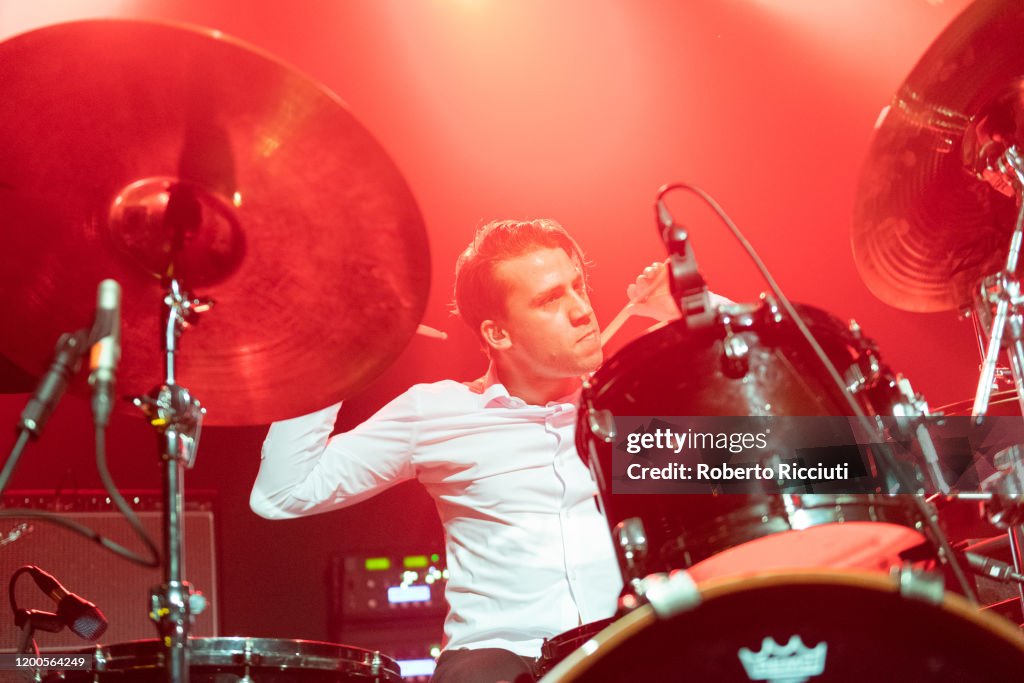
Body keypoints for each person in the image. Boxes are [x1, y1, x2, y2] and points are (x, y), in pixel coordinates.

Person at [250, 218, 677, 683]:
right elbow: (283, 493)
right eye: (551, 298)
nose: (581, 310)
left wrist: (692, 311)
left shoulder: (623, 404)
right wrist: (336, 350)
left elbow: (760, 455)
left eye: (578, 286)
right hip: (499, 659)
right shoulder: (436, 412)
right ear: (498, 334)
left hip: (620, 645)